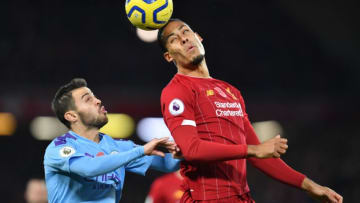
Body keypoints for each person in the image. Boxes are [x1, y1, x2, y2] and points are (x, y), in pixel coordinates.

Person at [157, 19, 343, 203]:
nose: (183, 39)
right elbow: (192, 149)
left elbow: (262, 158)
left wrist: (310, 185)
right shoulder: (177, 91)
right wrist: (253, 150)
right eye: (174, 39)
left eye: (186, 32)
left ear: (198, 37)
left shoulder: (231, 92)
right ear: (168, 56)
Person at [43, 78, 181, 203]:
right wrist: (141, 150)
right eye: (87, 99)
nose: (98, 101)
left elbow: (168, 163)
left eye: (95, 97)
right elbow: (88, 168)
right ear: (72, 116)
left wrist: (182, 150)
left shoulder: (118, 147)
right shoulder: (60, 147)